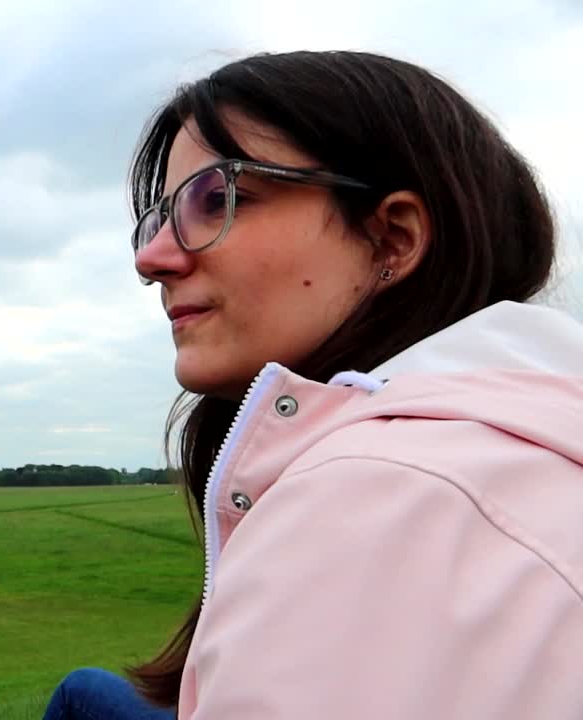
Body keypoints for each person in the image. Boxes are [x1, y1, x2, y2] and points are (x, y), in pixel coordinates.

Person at [45, 50, 583, 718]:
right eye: (158, 219)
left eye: (218, 198)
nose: (150, 261)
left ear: (392, 238)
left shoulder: (372, 499)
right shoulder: (537, 418)